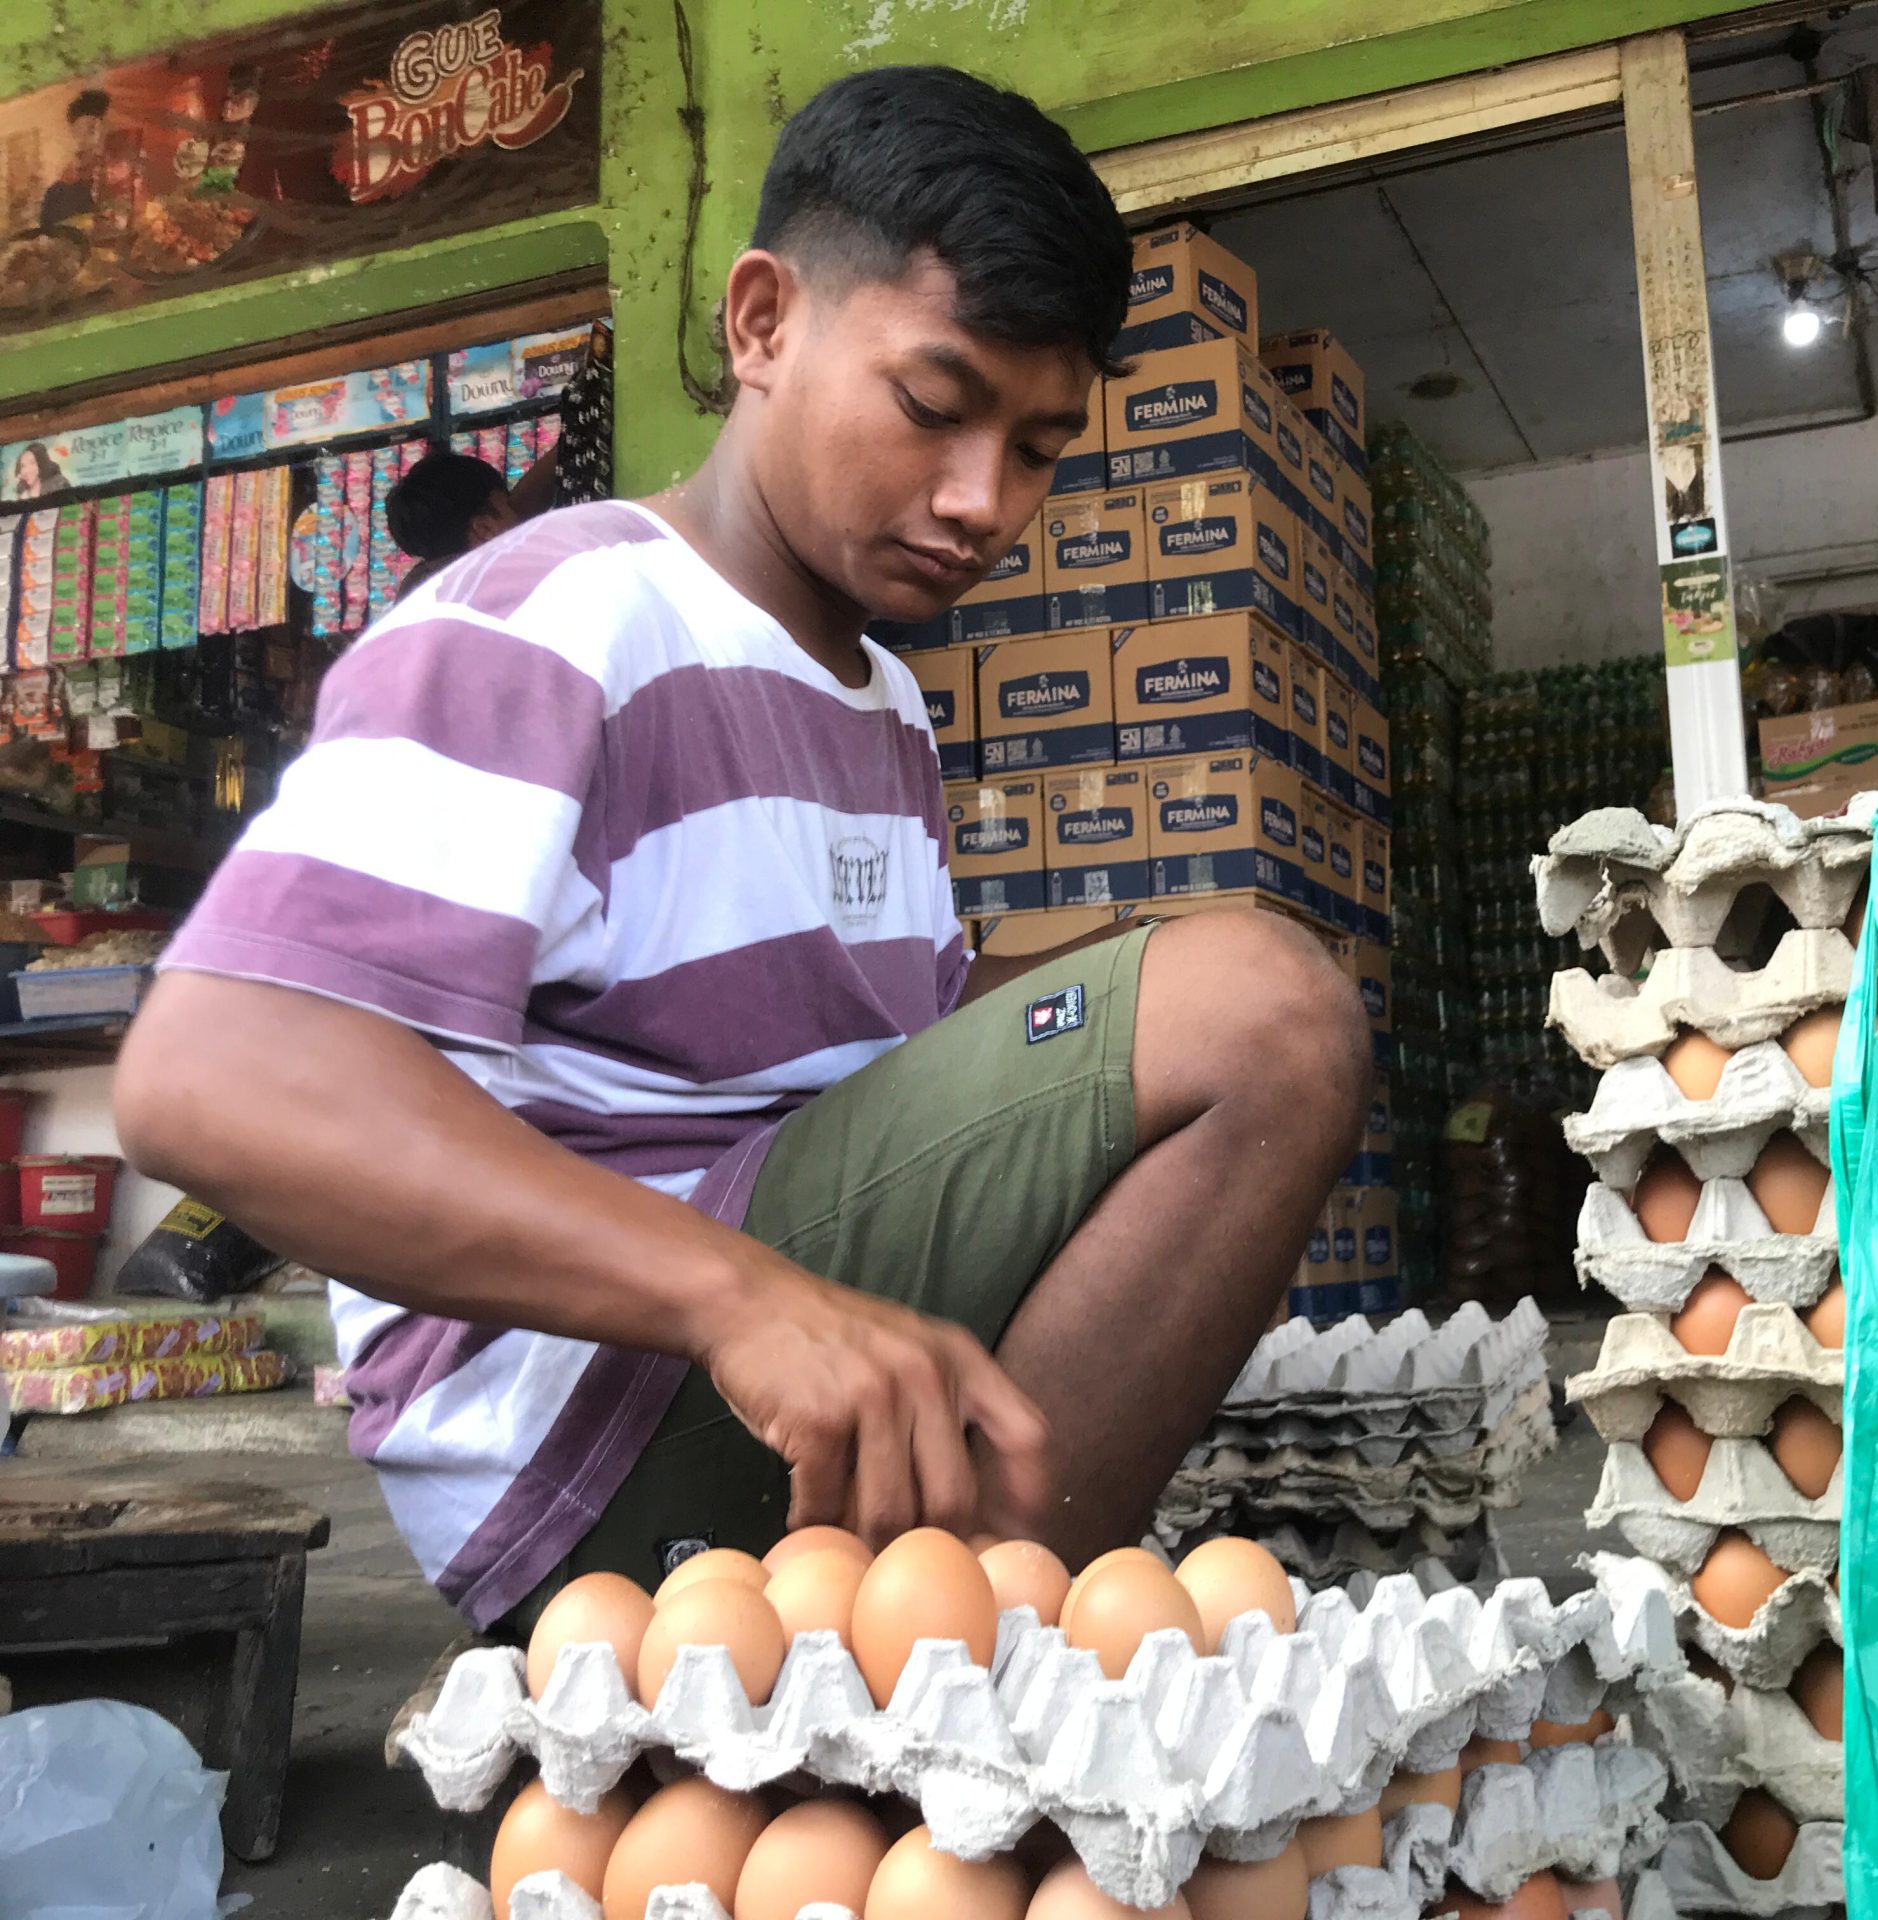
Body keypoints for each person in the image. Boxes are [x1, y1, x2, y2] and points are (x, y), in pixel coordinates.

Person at [114, 66, 1370, 1636]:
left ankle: (945, 1624)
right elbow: (208, 1078)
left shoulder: (881, 701)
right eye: (935, 408)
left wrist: (1127, 978)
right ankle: (961, 1658)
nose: (981, 501)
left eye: (1040, 449)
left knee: (1212, 977)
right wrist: (741, 1297)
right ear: (763, 323)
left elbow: (878, 1070)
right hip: (591, 1429)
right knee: (1262, 1013)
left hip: (752, 1347)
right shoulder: (559, 619)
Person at [383, 448, 558, 599]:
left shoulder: (419, 592)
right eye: (508, 505)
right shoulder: (514, 584)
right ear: (485, 528)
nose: (521, 517)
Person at [38, 89, 109, 229]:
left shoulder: (115, 184)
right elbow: (45, 234)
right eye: (77, 131)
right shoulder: (55, 194)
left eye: (91, 131)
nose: (81, 140)